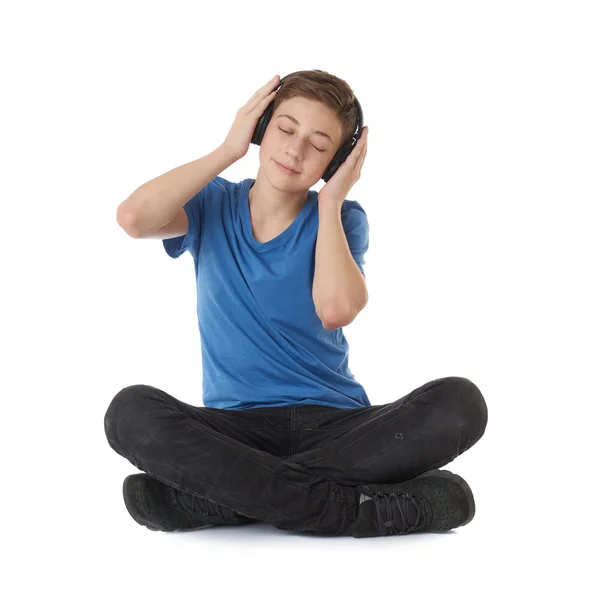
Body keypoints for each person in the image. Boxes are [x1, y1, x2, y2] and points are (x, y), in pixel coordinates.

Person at [105, 70, 488, 538]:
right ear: (261, 128)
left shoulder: (343, 219)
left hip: (337, 427)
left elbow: (336, 309)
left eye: (319, 144)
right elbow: (133, 218)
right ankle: (357, 511)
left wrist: (329, 203)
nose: (295, 149)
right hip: (233, 430)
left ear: (336, 161)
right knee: (130, 413)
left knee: (460, 402)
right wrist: (228, 150)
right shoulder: (210, 204)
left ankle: (220, 499)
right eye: (285, 129)